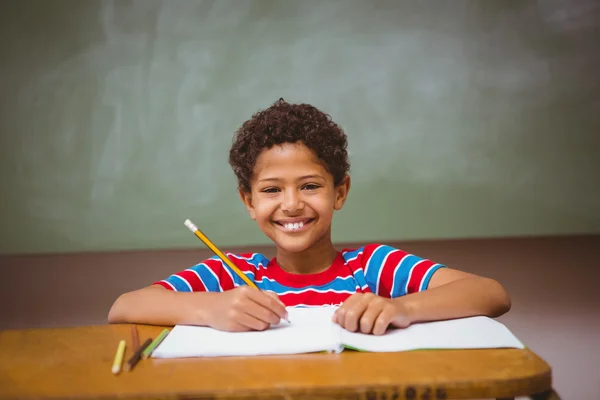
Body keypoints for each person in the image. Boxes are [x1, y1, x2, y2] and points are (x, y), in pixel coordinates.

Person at [108, 99, 511, 335]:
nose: (292, 204)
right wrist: (210, 309)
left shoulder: (374, 267)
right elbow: (124, 307)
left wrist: (403, 309)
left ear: (340, 192)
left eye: (310, 186)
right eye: (270, 190)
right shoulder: (231, 274)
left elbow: (491, 293)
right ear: (248, 202)